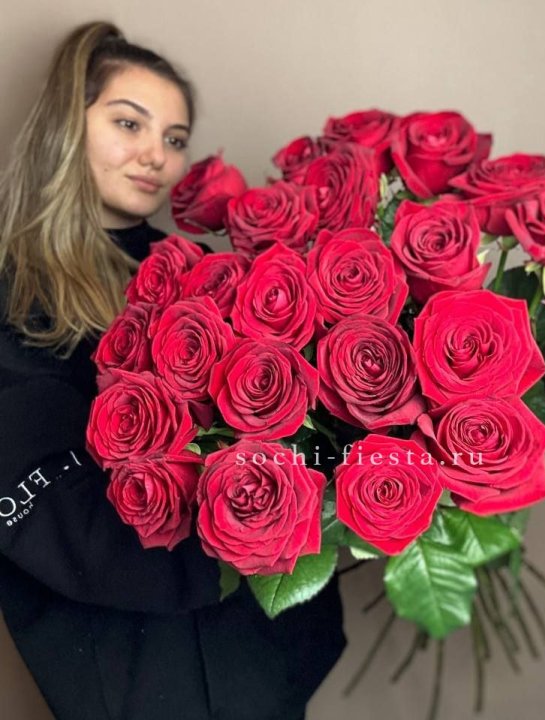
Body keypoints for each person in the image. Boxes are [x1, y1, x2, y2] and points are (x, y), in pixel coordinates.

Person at [0, 21, 346, 720]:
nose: (156, 154)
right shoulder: (13, 288)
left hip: (259, 648)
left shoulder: (208, 274)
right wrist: (236, 545)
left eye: (176, 137)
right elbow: (51, 514)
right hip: (128, 654)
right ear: (67, 123)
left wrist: (338, 498)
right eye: (129, 123)